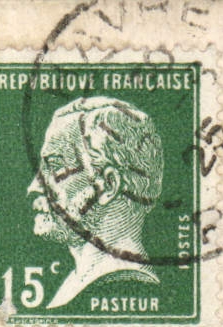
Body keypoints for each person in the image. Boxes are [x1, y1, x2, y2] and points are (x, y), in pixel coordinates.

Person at [26, 96, 165, 311]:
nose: (34, 187)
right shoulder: (76, 285)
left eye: (55, 166)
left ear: (108, 185)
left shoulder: (121, 286)